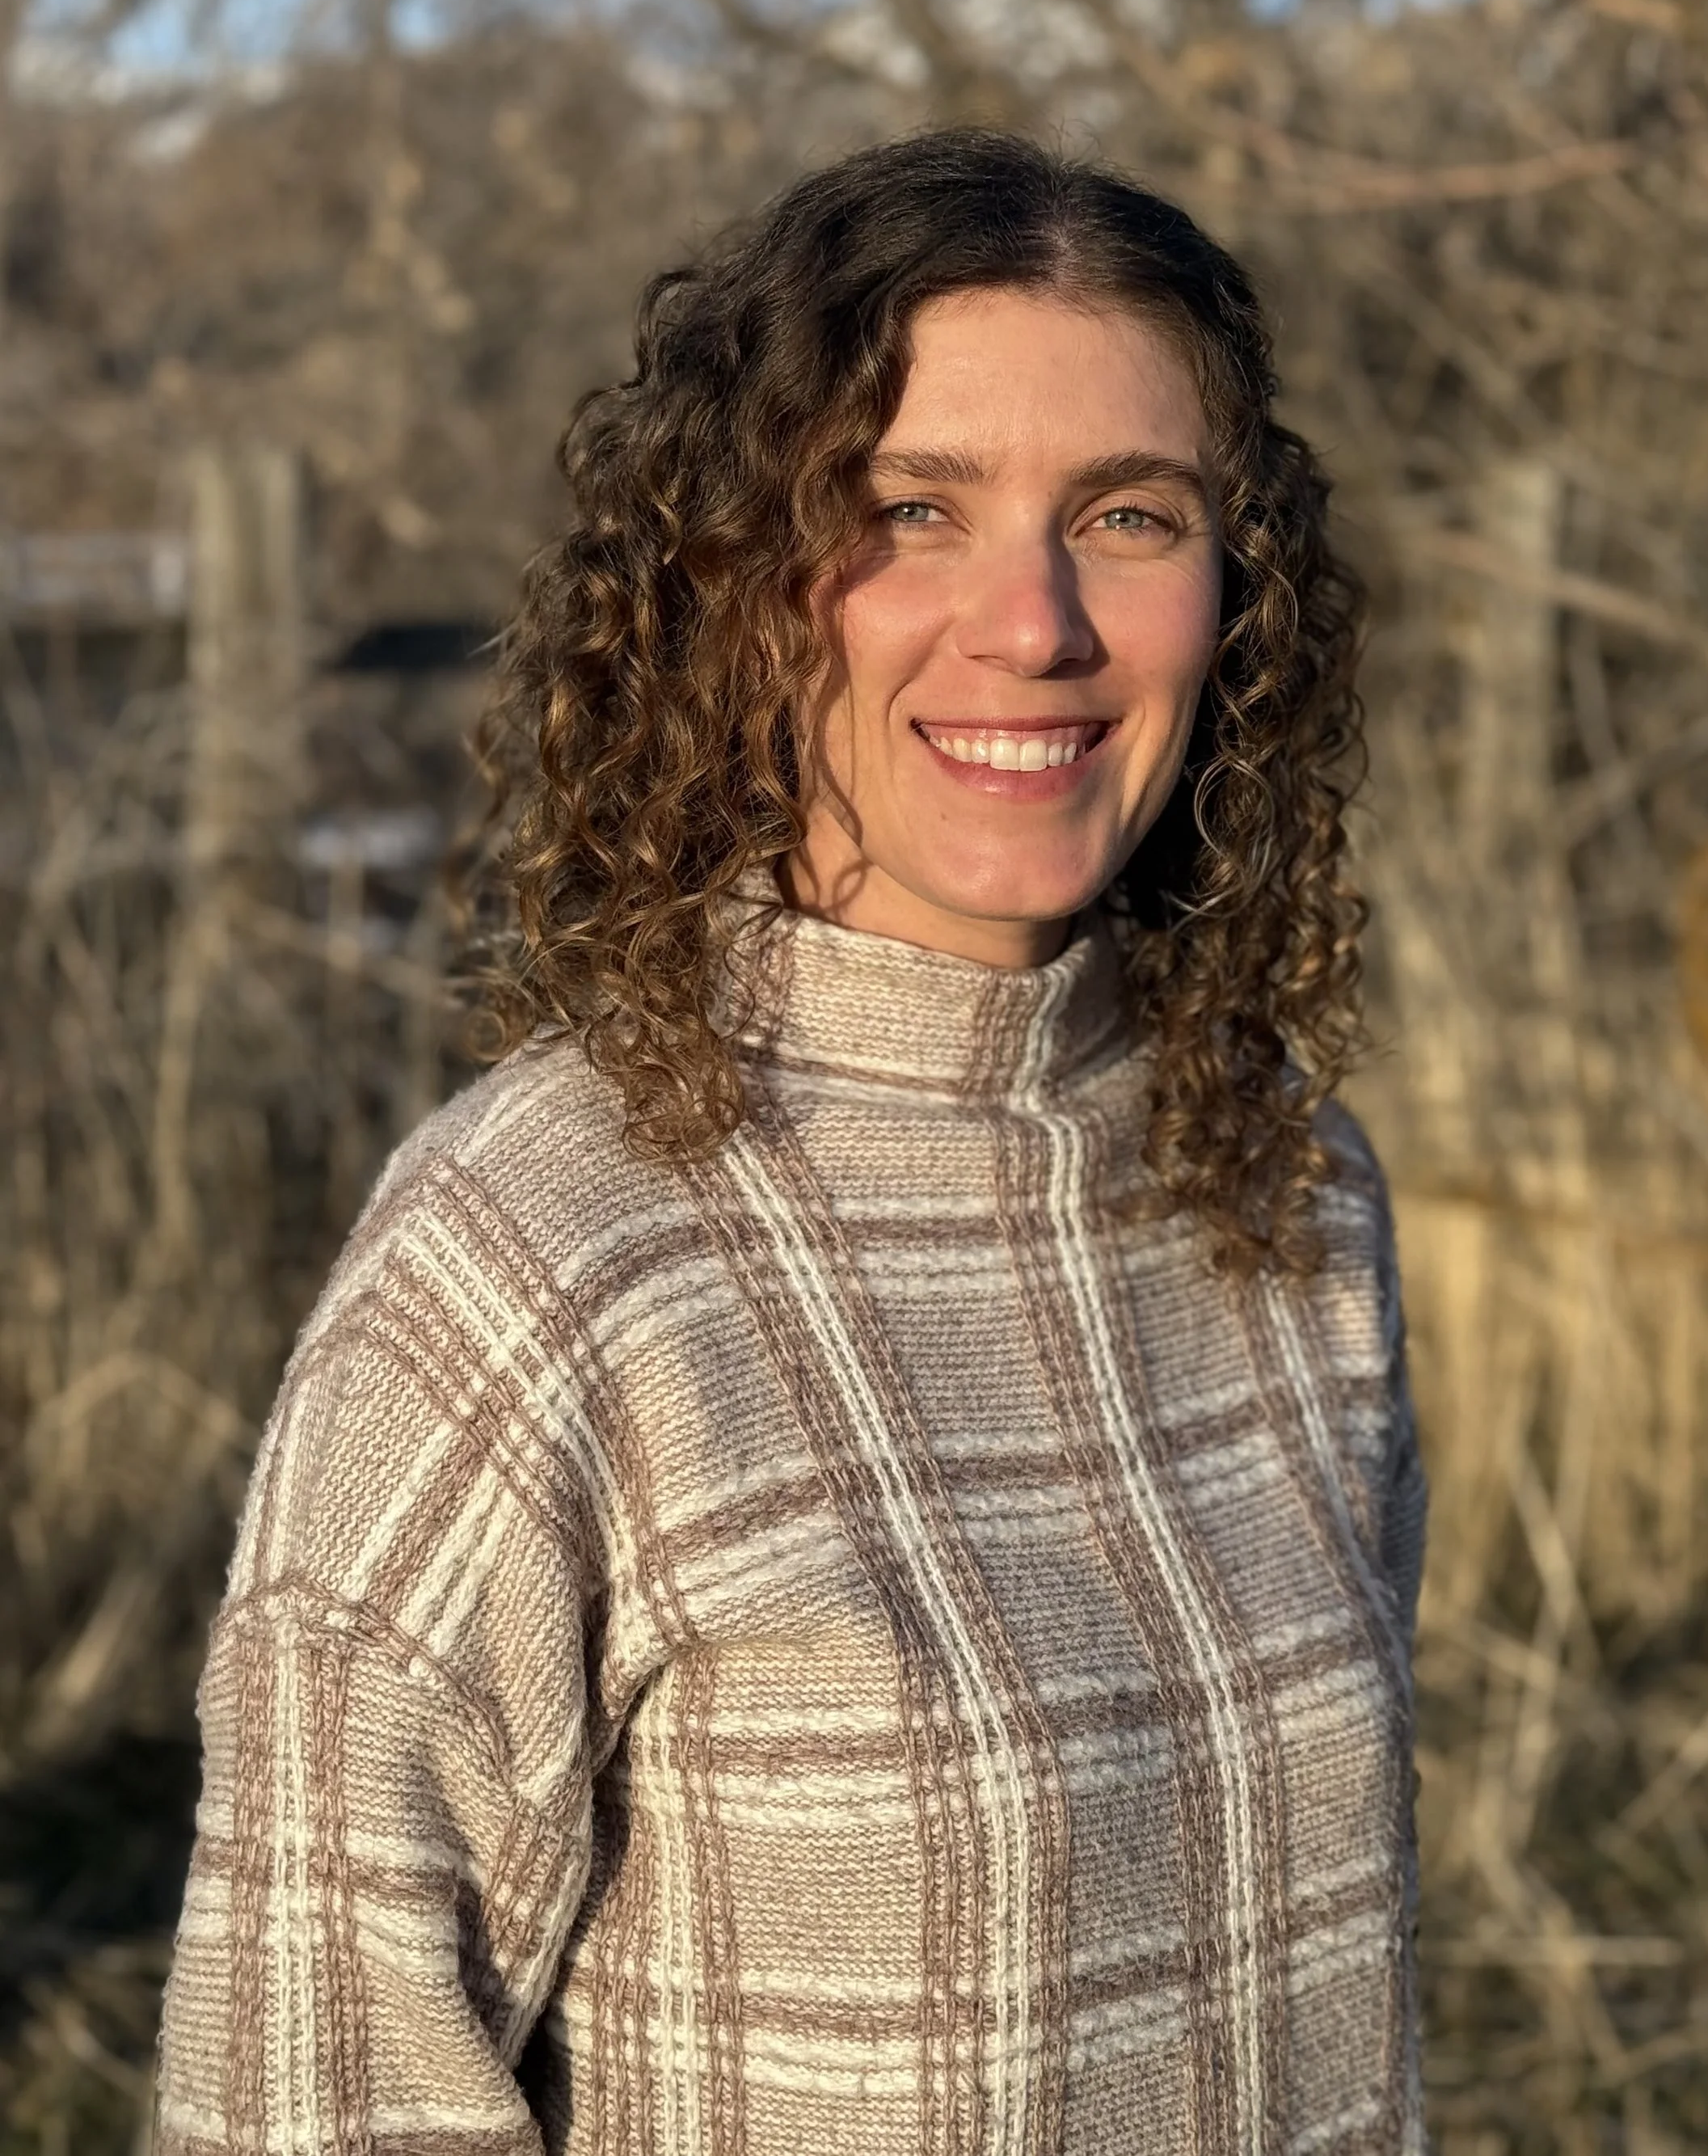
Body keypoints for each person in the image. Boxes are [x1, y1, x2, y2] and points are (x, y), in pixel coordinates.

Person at [154, 130, 1427, 2156]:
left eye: (1126, 513)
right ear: (732, 585)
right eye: (909, 509)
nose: (1032, 622)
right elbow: (304, 2100)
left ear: (1233, 589)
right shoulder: (534, 1252)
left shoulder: (1284, 1185)